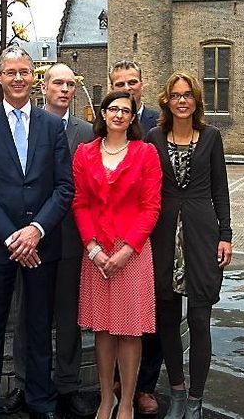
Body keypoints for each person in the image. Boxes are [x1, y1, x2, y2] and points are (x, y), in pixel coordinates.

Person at [0, 46, 74, 419]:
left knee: (40, 327)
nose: (17, 78)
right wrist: (14, 237)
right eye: (10, 72)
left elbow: (64, 187)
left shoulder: (51, 125)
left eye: (24, 72)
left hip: (43, 244)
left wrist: (36, 230)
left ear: (33, 77)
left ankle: (41, 401)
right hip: (0, 246)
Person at [6, 63, 96, 417]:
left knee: (69, 315)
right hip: (30, 239)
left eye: (70, 84)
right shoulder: (24, 124)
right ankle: (24, 383)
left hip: (72, 237)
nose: (64, 90)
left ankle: (68, 384)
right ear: (44, 87)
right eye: (58, 83)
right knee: (26, 312)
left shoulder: (87, 132)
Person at [146, 72, 232, 419]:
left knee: (199, 319)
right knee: (167, 319)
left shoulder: (211, 138)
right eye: (176, 95)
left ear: (196, 101)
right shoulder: (153, 137)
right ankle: (177, 393)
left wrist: (226, 234)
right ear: (166, 100)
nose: (182, 101)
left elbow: (220, 190)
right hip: (164, 235)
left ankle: (196, 399)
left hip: (200, 235)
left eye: (188, 95)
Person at [73, 91, 161, 419]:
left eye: (127, 110)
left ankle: (126, 403)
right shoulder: (84, 153)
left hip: (132, 254)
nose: (120, 115)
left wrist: (127, 250)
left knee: (130, 330)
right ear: (103, 113)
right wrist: (92, 247)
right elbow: (80, 202)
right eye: (114, 109)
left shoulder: (145, 153)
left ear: (133, 117)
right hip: (96, 253)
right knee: (104, 330)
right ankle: (105, 398)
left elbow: (151, 207)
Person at [108, 59, 162, 414]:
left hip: (150, 229)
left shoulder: (160, 122)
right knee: (112, 314)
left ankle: (144, 386)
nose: (127, 88)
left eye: (133, 82)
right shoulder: (105, 121)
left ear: (142, 84)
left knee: (148, 312)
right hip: (110, 235)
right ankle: (113, 382)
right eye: (120, 84)